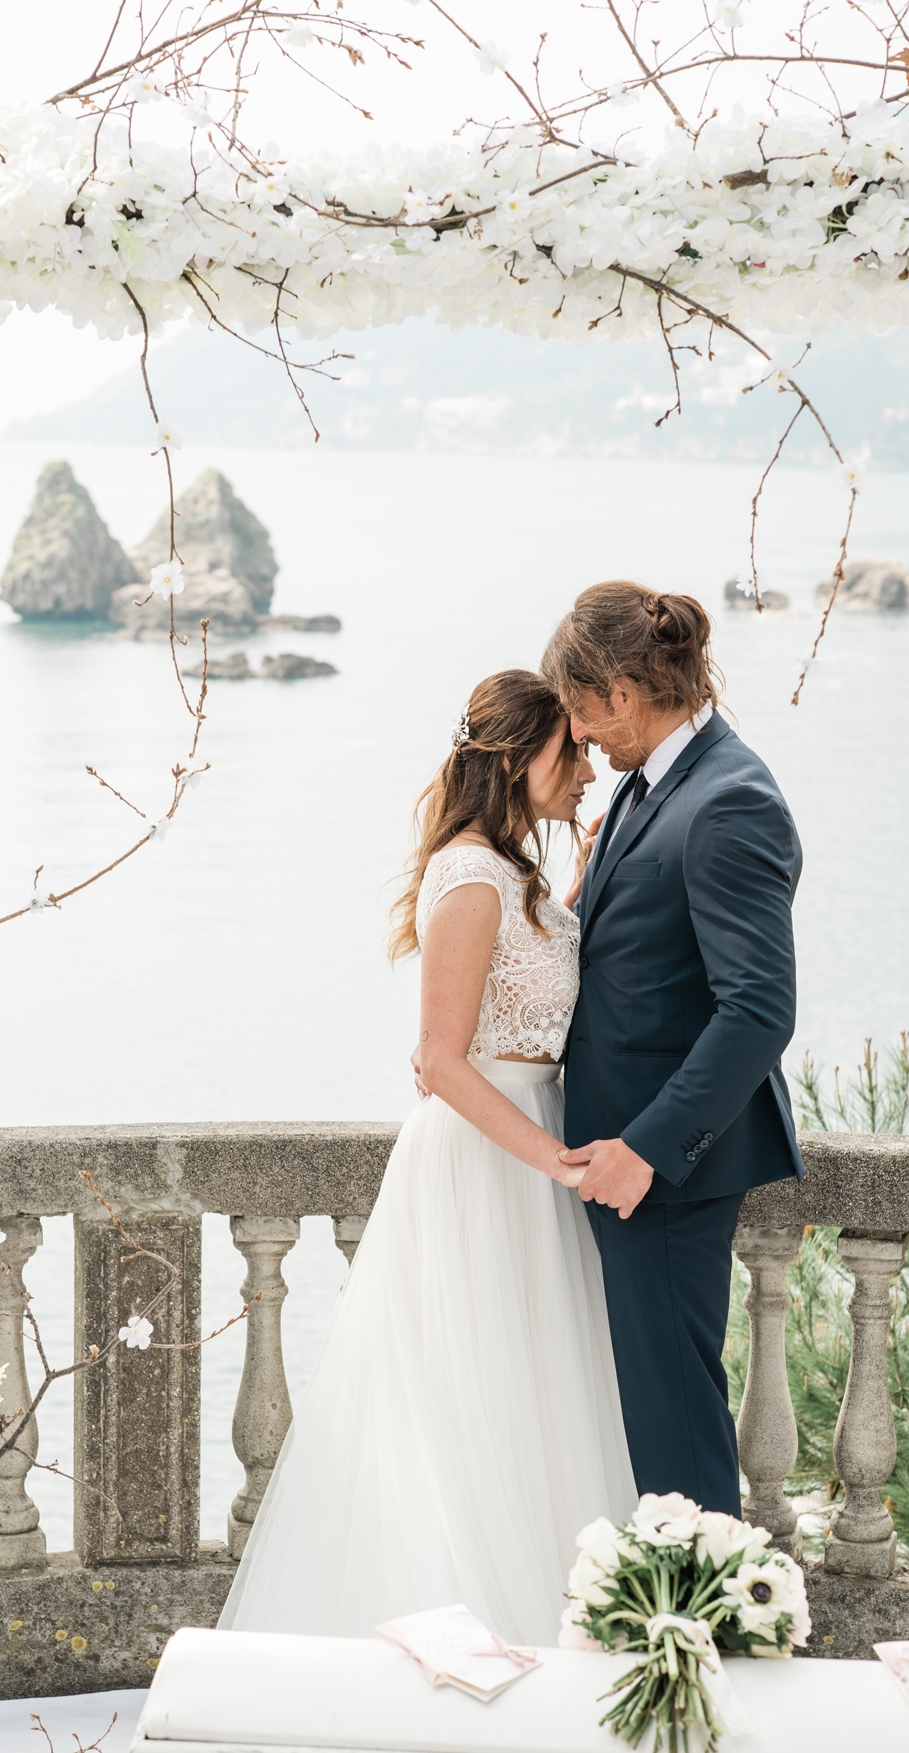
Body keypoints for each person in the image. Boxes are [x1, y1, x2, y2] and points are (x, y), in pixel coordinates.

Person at [218, 669, 636, 1644]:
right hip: (486, 1166)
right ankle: (476, 1638)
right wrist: (558, 1161)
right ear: (517, 755)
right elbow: (441, 1062)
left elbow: (544, 964)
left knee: (536, 1397)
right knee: (469, 1407)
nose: (586, 766)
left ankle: (544, 1625)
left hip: (527, 1156)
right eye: (569, 749)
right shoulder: (469, 876)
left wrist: (591, 855)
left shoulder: (515, 872)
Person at [541, 580, 804, 1518]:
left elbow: (761, 1007)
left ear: (619, 690)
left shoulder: (729, 802)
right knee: (647, 1416)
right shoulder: (653, 787)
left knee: (675, 1428)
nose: (577, 736)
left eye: (577, 709)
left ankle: (701, 1637)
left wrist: (646, 1149)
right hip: (621, 1161)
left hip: (661, 1171)